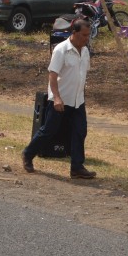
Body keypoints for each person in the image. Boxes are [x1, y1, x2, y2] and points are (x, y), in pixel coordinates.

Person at [22, 18, 95, 180]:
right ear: (74, 33)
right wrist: (56, 98)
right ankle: (28, 154)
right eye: (84, 35)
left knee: (80, 132)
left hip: (78, 101)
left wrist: (81, 96)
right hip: (60, 101)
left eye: (88, 35)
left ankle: (76, 167)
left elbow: (82, 75)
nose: (86, 38)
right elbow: (53, 75)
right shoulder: (61, 50)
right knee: (48, 131)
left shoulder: (85, 51)